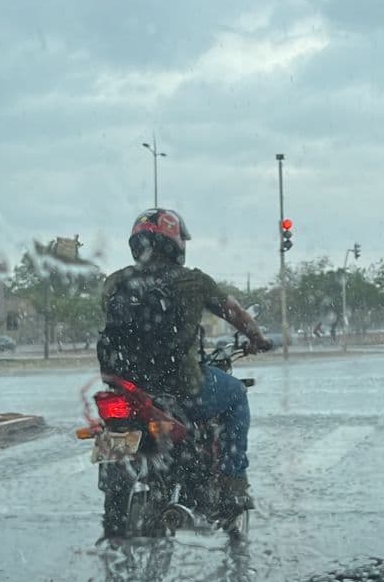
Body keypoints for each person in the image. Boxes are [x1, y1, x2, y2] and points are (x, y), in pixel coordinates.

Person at [98, 209, 272, 515]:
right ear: (176, 244)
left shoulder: (115, 282)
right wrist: (258, 339)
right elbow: (235, 314)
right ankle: (233, 485)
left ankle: (119, 498)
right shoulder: (193, 282)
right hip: (181, 387)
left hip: (126, 388)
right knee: (235, 396)